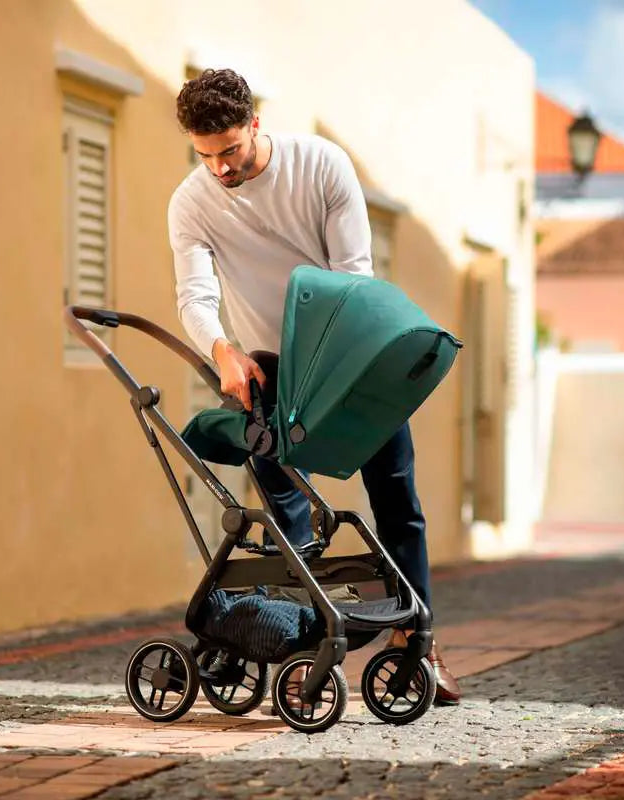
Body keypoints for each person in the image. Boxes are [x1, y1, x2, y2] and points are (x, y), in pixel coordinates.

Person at [168, 68, 460, 706]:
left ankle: (417, 641)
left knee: (396, 500)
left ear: (255, 124)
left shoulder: (322, 166)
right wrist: (223, 350)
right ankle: (307, 652)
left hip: (348, 358)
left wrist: (333, 363)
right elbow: (195, 294)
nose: (220, 169)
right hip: (266, 369)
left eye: (231, 152)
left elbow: (352, 273)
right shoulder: (191, 202)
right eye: (206, 156)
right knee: (288, 520)